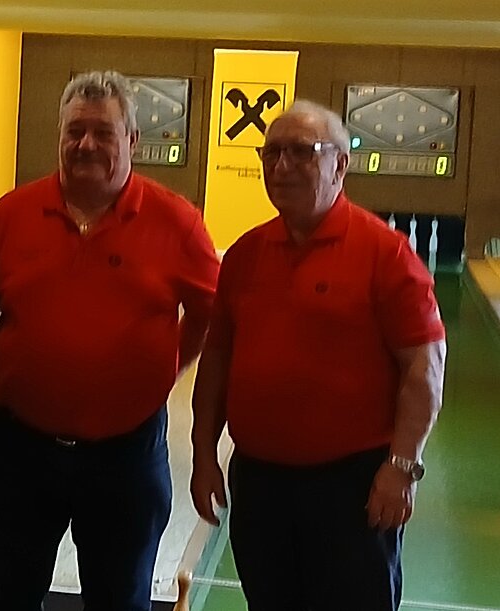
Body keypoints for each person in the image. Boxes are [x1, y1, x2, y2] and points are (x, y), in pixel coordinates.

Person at [0, 70, 219, 611]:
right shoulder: (11, 215)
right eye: (74, 131)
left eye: (103, 132)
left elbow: (212, 314)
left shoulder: (176, 222)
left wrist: (168, 364)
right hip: (19, 448)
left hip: (127, 455)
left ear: (132, 140)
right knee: (5, 599)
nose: (86, 145)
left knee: (120, 600)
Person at [190, 100, 446, 611]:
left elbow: (424, 368)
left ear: (340, 164)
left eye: (302, 152)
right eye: (271, 153)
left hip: (352, 487)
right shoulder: (245, 255)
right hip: (260, 482)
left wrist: (401, 467)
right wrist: (202, 454)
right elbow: (216, 361)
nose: (282, 166)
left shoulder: (386, 253)